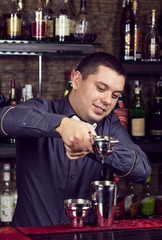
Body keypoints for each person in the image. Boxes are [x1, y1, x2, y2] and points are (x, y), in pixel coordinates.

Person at [0, 52, 151, 227]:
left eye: (115, 95)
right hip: (30, 235)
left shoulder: (110, 126)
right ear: (77, 80)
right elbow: (5, 118)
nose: (107, 101)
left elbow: (142, 170)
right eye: (101, 89)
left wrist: (94, 147)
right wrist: (62, 125)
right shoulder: (42, 108)